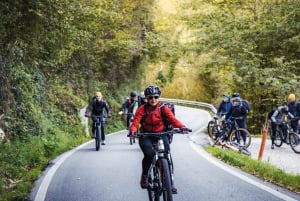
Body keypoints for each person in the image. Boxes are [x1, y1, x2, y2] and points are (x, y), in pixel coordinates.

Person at [128, 85, 189, 193]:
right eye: (150, 97)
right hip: (146, 135)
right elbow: (135, 122)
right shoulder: (142, 109)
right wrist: (133, 130)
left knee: (166, 154)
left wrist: (182, 127)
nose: (153, 100)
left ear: (159, 97)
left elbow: (173, 120)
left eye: (156, 97)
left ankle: (169, 182)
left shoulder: (163, 108)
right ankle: (145, 176)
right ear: (146, 98)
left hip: (161, 133)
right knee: (149, 154)